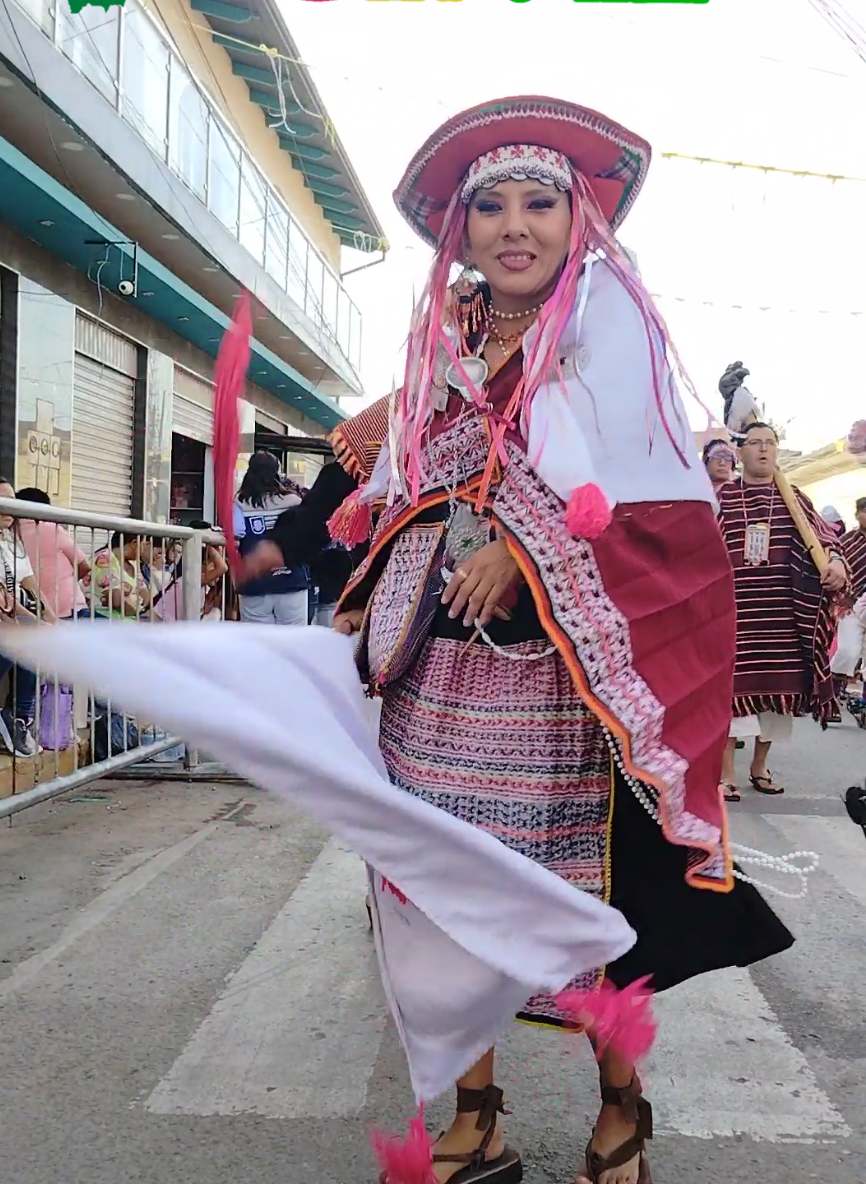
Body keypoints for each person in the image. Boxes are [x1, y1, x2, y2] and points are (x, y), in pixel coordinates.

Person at [241, 95, 793, 1184]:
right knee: (441, 892)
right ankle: (478, 1112)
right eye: (489, 205)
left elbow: (648, 507)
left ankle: (620, 1104)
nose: (515, 225)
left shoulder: (610, 340)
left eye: (540, 200)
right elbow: (380, 463)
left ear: (576, 217)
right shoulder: (441, 343)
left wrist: (530, 557)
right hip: (432, 668)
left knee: (578, 899)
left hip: (563, 683)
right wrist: (292, 547)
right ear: (462, 228)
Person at [718, 422, 846, 799]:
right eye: (755, 443)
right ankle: (726, 773)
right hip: (737, 613)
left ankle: (759, 766)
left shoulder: (795, 498)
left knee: (780, 694)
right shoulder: (723, 498)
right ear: (740, 454)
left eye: (770, 444)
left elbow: (827, 538)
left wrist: (836, 561)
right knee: (733, 692)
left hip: (783, 614)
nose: (763, 450)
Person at [0, 476, 46, 759]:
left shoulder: (10, 541)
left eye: (13, 502)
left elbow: (16, 588)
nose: (10, 510)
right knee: (7, 641)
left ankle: (18, 717)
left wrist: (44, 618)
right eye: (1, 502)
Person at [233, 452, 311, 626]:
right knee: (293, 644)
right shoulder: (293, 502)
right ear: (277, 473)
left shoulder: (238, 503)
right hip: (292, 581)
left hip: (254, 586)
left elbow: (235, 535)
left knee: (258, 647)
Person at [16, 487, 92, 620]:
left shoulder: (7, 534)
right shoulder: (53, 528)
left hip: (35, 614)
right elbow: (84, 565)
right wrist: (63, 582)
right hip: (70, 608)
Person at [830, 496, 866, 696]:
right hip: (850, 607)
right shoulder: (845, 542)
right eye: (864, 510)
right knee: (847, 652)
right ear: (857, 514)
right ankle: (831, 696)